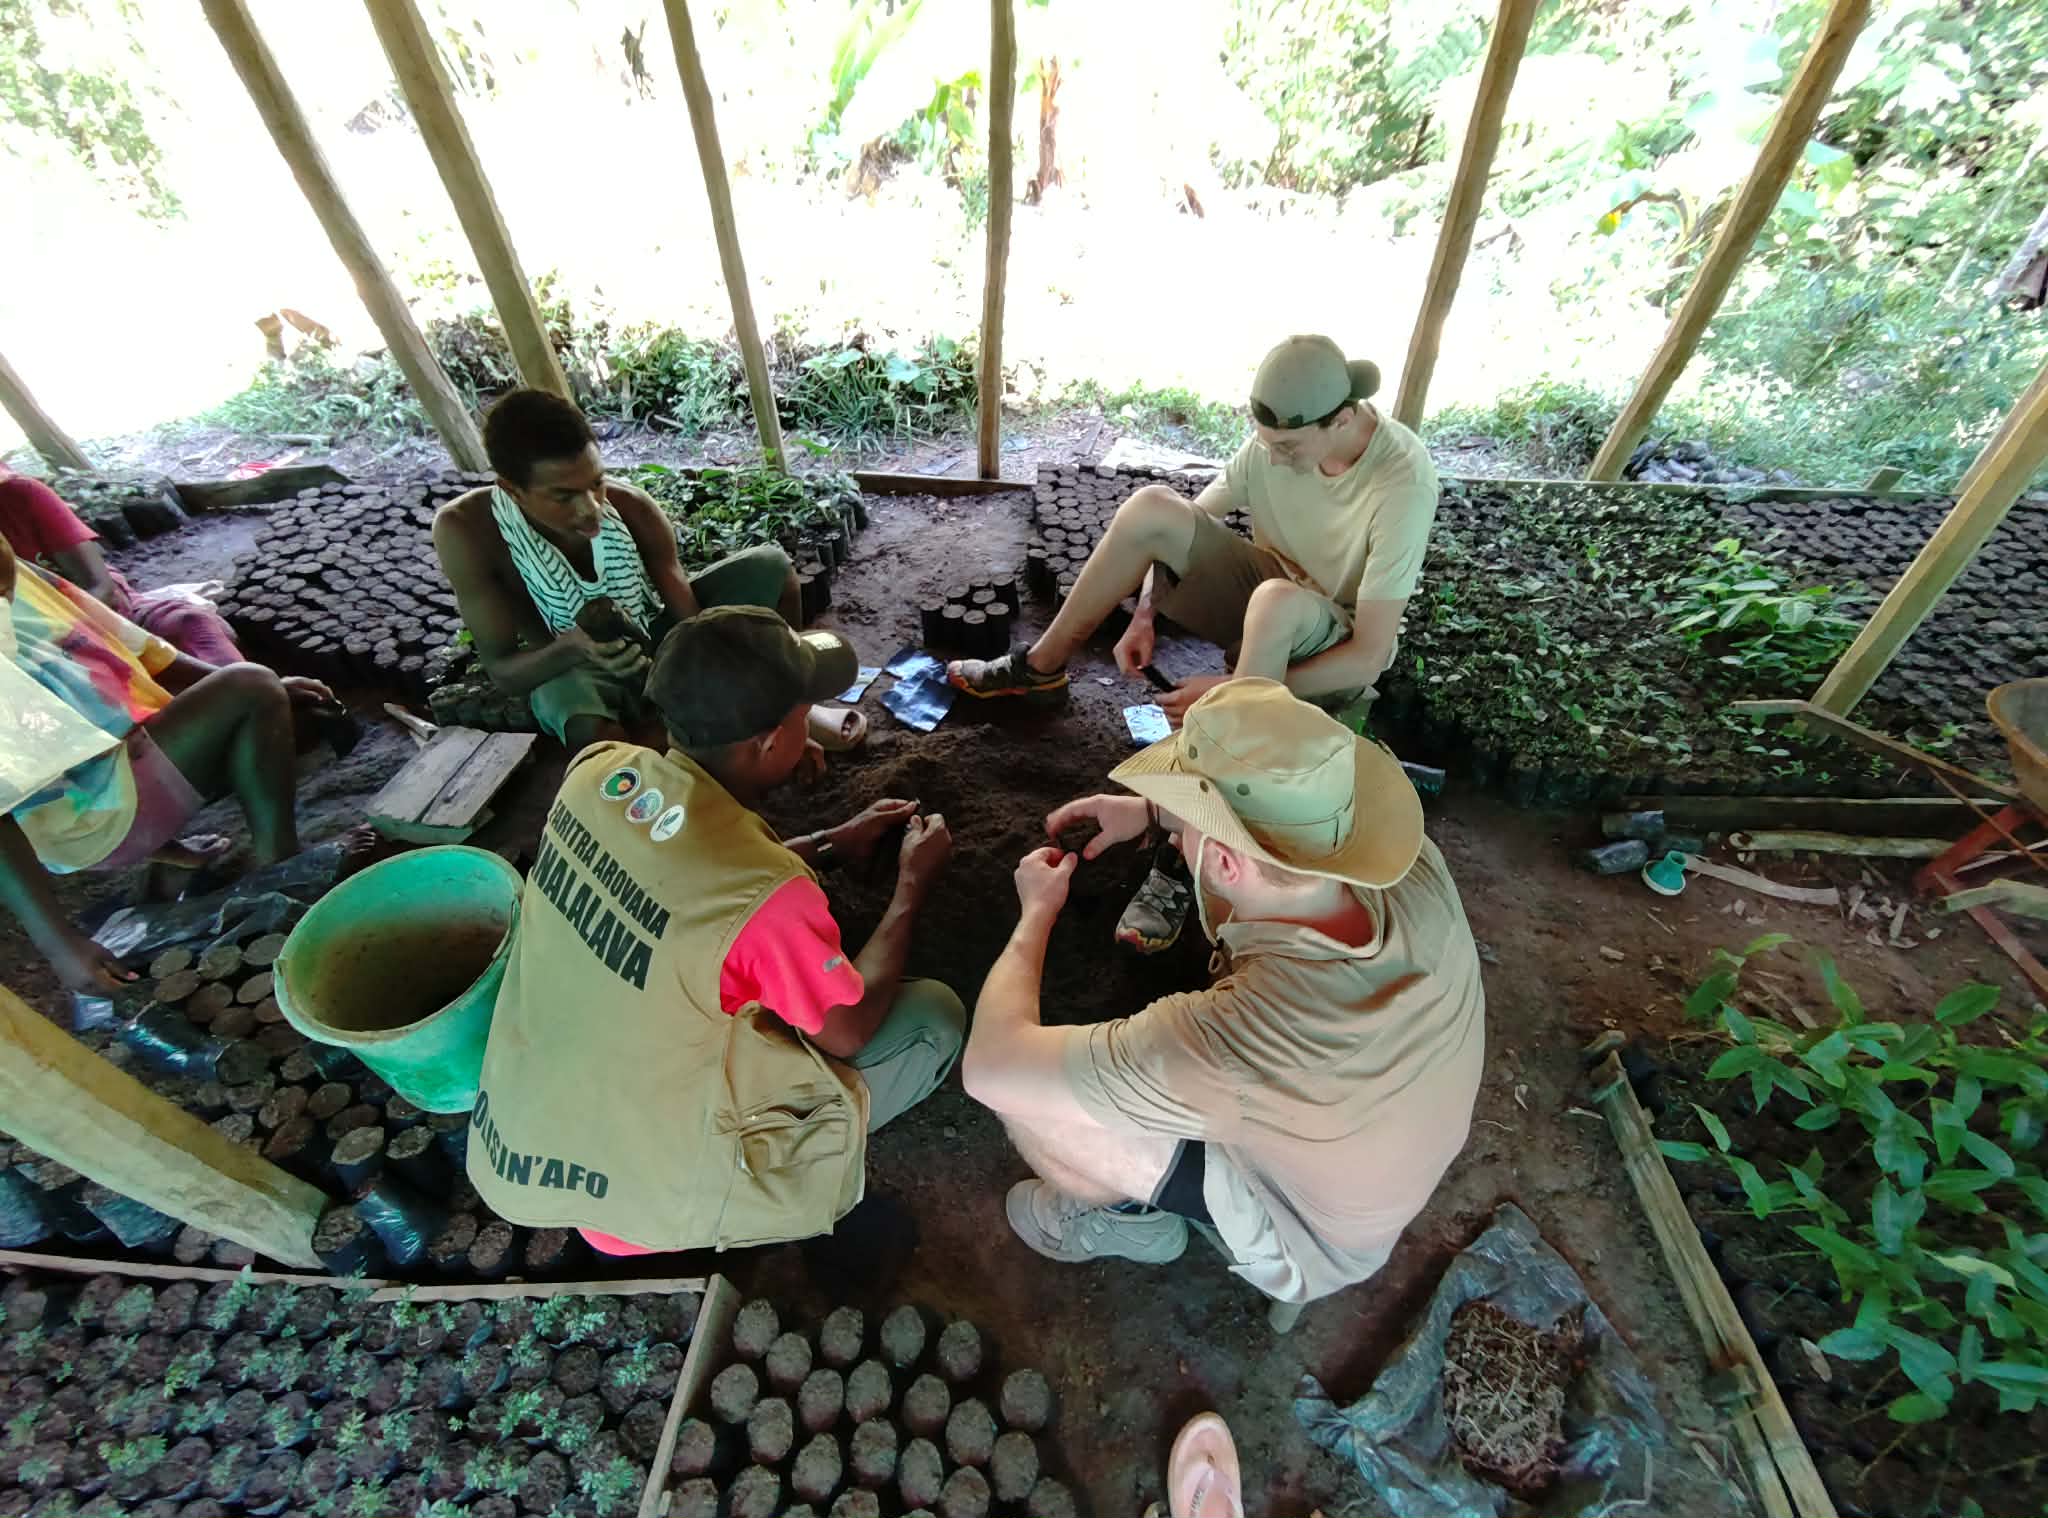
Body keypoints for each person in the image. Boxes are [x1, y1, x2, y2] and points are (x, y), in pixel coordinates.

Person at [961, 679, 1485, 1325]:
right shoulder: (1406, 866)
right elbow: (1263, 844)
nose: (1176, 842)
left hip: (1312, 1238)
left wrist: (1035, 915)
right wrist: (1152, 814)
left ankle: (1127, 1222)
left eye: (1186, 829)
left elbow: (990, 1068)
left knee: (1040, 1109)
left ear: (1230, 866)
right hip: (1376, 1165)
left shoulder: (1237, 1036)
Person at [466, 605, 965, 1254]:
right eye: (800, 714)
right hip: (649, 1197)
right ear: (769, 741)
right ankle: (755, 1193)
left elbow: (683, 883)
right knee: (933, 1018)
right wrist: (910, 889)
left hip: (527, 1144)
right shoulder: (769, 896)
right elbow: (850, 1029)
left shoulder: (599, 774)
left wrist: (828, 844)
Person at [947, 334, 1438, 722]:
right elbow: (1175, 531)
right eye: (1265, 443)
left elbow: (1369, 656)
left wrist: (1235, 688)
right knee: (1152, 508)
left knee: (1276, 602)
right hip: (1270, 599)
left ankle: (1241, 722)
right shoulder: (1277, 444)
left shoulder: (1402, 484)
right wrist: (1145, 615)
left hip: (1329, 643)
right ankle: (1038, 671)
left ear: (1343, 419)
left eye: (1286, 448)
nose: (1271, 458)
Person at [0, 533, 329, 994]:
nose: (5, 597)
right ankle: (279, 862)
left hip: (121, 770)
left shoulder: (27, 578)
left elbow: (143, 650)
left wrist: (271, 687)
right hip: (89, 817)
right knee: (251, 687)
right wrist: (61, 945)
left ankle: (175, 852)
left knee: (281, 702)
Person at [433, 388, 817, 755]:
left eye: (596, 482)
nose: (592, 509)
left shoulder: (631, 507)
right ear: (512, 490)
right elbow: (504, 673)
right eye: (564, 496)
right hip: (575, 667)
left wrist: (703, 677)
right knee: (584, 722)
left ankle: (789, 706)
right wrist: (573, 647)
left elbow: (691, 626)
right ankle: (670, 759)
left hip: (657, 638)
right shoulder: (468, 532)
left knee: (772, 570)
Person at [0, 465, 244, 665]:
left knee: (192, 623)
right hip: (41, 659)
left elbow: (101, 587)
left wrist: (78, 641)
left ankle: (252, 689)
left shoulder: (18, 495)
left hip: (110, 619)